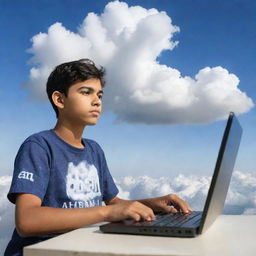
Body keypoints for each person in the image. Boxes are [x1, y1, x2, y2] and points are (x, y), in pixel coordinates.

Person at [4, 59, 192, 256]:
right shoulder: (39, 146)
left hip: (81, 248)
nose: (97, 101)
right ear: (59, 100)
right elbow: (27, 221)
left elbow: (113, 203)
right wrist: (106, 213)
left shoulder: (94, 150)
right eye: (86, 92)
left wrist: (151, 204)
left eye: (99, 94)